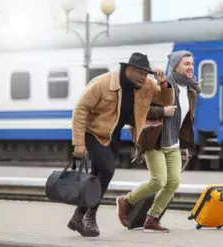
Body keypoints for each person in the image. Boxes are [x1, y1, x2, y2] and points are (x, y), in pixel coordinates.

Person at [67, 52, 174, 237]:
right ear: (129, 69)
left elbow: (166, 101)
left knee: (96, 174)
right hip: (93, 132)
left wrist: (164, 83)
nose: (144, 77)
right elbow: (80, 110)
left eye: (146, 73)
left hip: (113, 135)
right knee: (108, 170)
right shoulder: (102, 83)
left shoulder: (146, 84)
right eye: (140, 73)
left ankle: (78, 217)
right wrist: (78, 143)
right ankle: (90, 216)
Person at [116, 50, 201, 233]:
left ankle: (152, 219)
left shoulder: (191, 88)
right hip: (155, 139)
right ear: (176, 65)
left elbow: (183, 120)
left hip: (174, 143)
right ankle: (126, 200)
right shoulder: (161, 85)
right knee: (158, 181)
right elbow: (141, 111)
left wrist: (182, 144)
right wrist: (163, 112)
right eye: (186, 63)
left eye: (192, 63)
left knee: (173, 182)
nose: (191, 67)